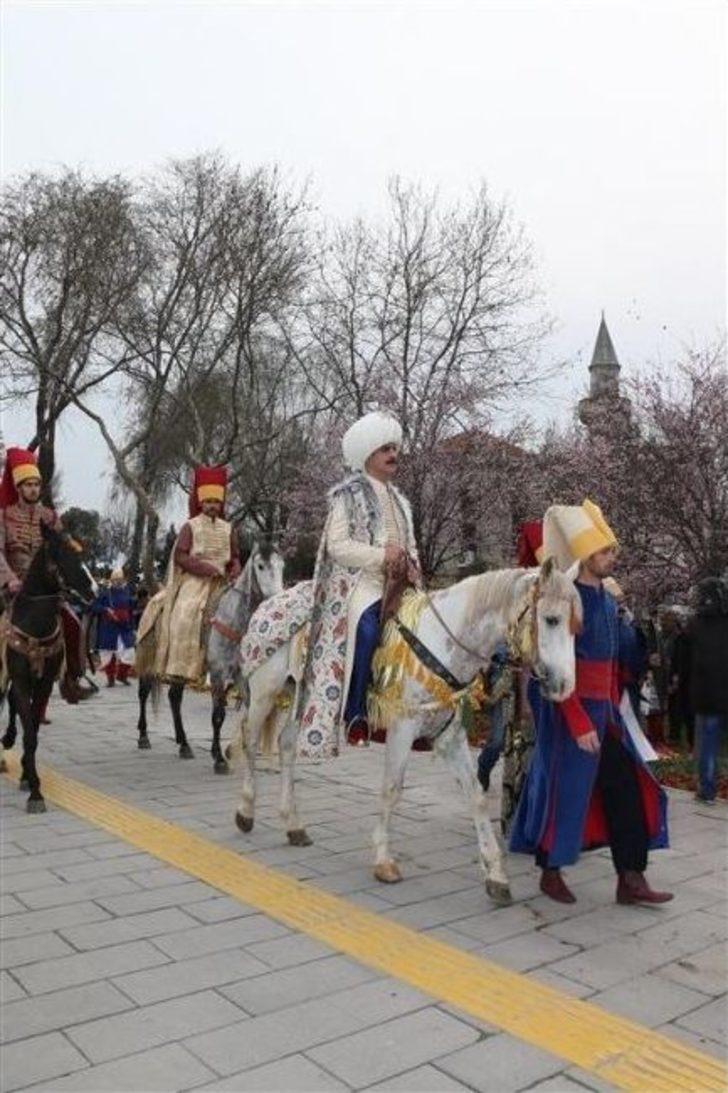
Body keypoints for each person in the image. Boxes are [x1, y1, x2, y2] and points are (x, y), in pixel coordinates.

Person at [510, 499, 672, 905]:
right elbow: (553, 666)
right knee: (566, 790)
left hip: (608, 713)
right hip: (572, 711)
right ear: (584, 555)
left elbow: (618, 661)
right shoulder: (563, 599)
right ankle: (550, 869)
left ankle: (630, 878)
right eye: (604, 551)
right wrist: (578, 720)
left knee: (627, 790)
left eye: (612, 550)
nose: (611, 556)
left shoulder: (610, 600)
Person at [296, 411, 420, 760]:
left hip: (400, 585)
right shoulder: (347, 496)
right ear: (368, 455)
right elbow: (338, 547)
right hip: (361, 584)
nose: (393, 454)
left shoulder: (401, 502)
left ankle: (413, 717)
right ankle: (355, 715)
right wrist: (381, 556)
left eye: (395, 448)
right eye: (385, 449)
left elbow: (411, 546)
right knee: (367, 630)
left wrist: (411, 563)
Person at [0, 447, 87, 705]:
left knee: (73, 624)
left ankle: (73, 679)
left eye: (37, 484)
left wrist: (72, 546)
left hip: (46, 589)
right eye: (28, 485)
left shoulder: (49, 516)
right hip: (11, 587)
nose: (33, 489)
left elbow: (64, 545)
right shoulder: (4, 516)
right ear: (18, 487)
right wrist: (9, 579)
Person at [154, 465, 241, 684]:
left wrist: (235, 570)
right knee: (185, 614)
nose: (212, 506)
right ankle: (179, 667)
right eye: (208, 502)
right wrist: (206, 569)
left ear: (221, 503)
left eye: (216, 502)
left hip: (223, 583)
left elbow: (235, 557)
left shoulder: (229, 528)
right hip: (195, 581)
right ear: (201, 503)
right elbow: (180, 556)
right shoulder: (190, 526)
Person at [688, 577, 728, 804]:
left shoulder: (695, 624)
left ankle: (708, 789)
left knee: (708, 744)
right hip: (723, 690)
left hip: (705, 695)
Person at [91, 568, 136, 686]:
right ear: (111, 580)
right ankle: (110, 679)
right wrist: (106, 610)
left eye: (120, 580)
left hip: (124, 628)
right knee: (108, 654)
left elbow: (130, 608)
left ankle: (121, 676)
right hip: (109, 628)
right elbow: (94, 606)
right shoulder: (105, 592)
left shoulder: (127, 591)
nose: (118, 582)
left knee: (129, 653)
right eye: (115, 580)